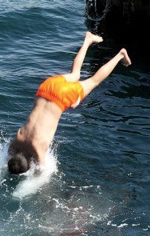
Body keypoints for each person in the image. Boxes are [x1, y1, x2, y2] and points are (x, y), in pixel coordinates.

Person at [7, 32, 132, 175]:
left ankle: (120, 55)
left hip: (61, 97)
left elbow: (42, 174)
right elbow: (9, 155)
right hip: (45, 88)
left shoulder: (37, 150)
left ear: (30, 163)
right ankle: (88, 40)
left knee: (94, 81)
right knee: (75, 75)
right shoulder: (17, 139)